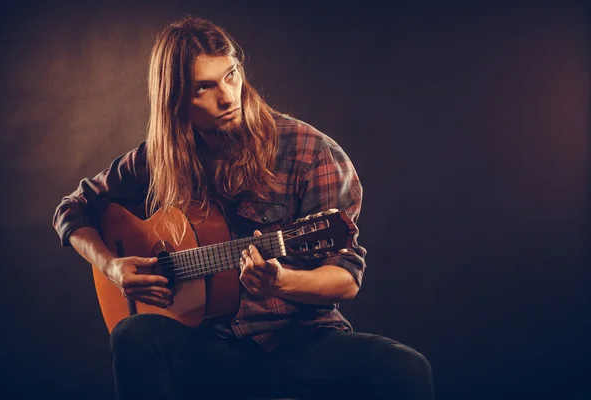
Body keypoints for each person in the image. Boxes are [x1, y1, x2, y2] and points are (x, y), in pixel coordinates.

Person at [52, 15, 435, 400]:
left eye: (231, 74)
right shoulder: (160, 158)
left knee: (404, 368)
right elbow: (72, 209)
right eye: (205, 87)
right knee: (133, 335)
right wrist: (110, 265)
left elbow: (346, 279)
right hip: (207, 344)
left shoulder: (311, 153)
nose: (228, 96)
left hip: (299, 344)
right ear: (176, 99)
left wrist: (282, 281)